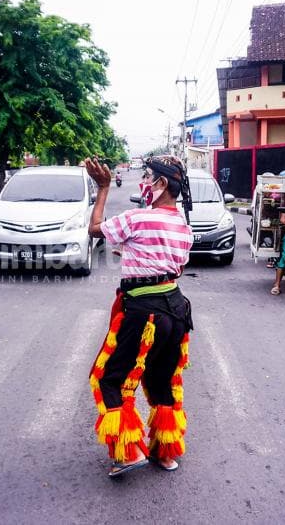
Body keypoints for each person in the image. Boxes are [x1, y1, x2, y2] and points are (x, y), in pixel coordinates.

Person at [85, 154, 194, 478]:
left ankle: (128, 451)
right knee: (162, 381)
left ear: (161, 184)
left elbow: (94, 230)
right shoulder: (183, 226)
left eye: (147, 177)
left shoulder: (137, 218)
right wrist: (133, 252)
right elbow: (174, 267)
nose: (143, 183)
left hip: (143, 312)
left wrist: (103, 188)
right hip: (176, 310)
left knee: (108, 378)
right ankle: (165, 453)